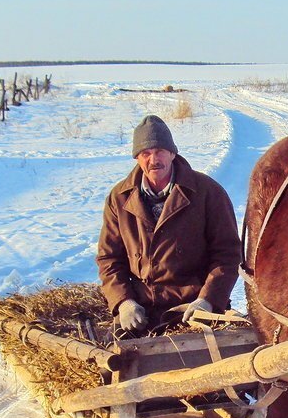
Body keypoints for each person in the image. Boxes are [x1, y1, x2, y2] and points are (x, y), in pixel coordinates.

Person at [97, 114, 241, 333]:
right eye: (146, 153)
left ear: (172, 153)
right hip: (141, 309)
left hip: (193, 308)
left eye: (160, 152)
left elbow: (228, 254)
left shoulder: (207, 192)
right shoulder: (119, 198)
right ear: (137, 157)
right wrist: (124, 302)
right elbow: (109, 259)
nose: (154, 160)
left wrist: (208, 300)